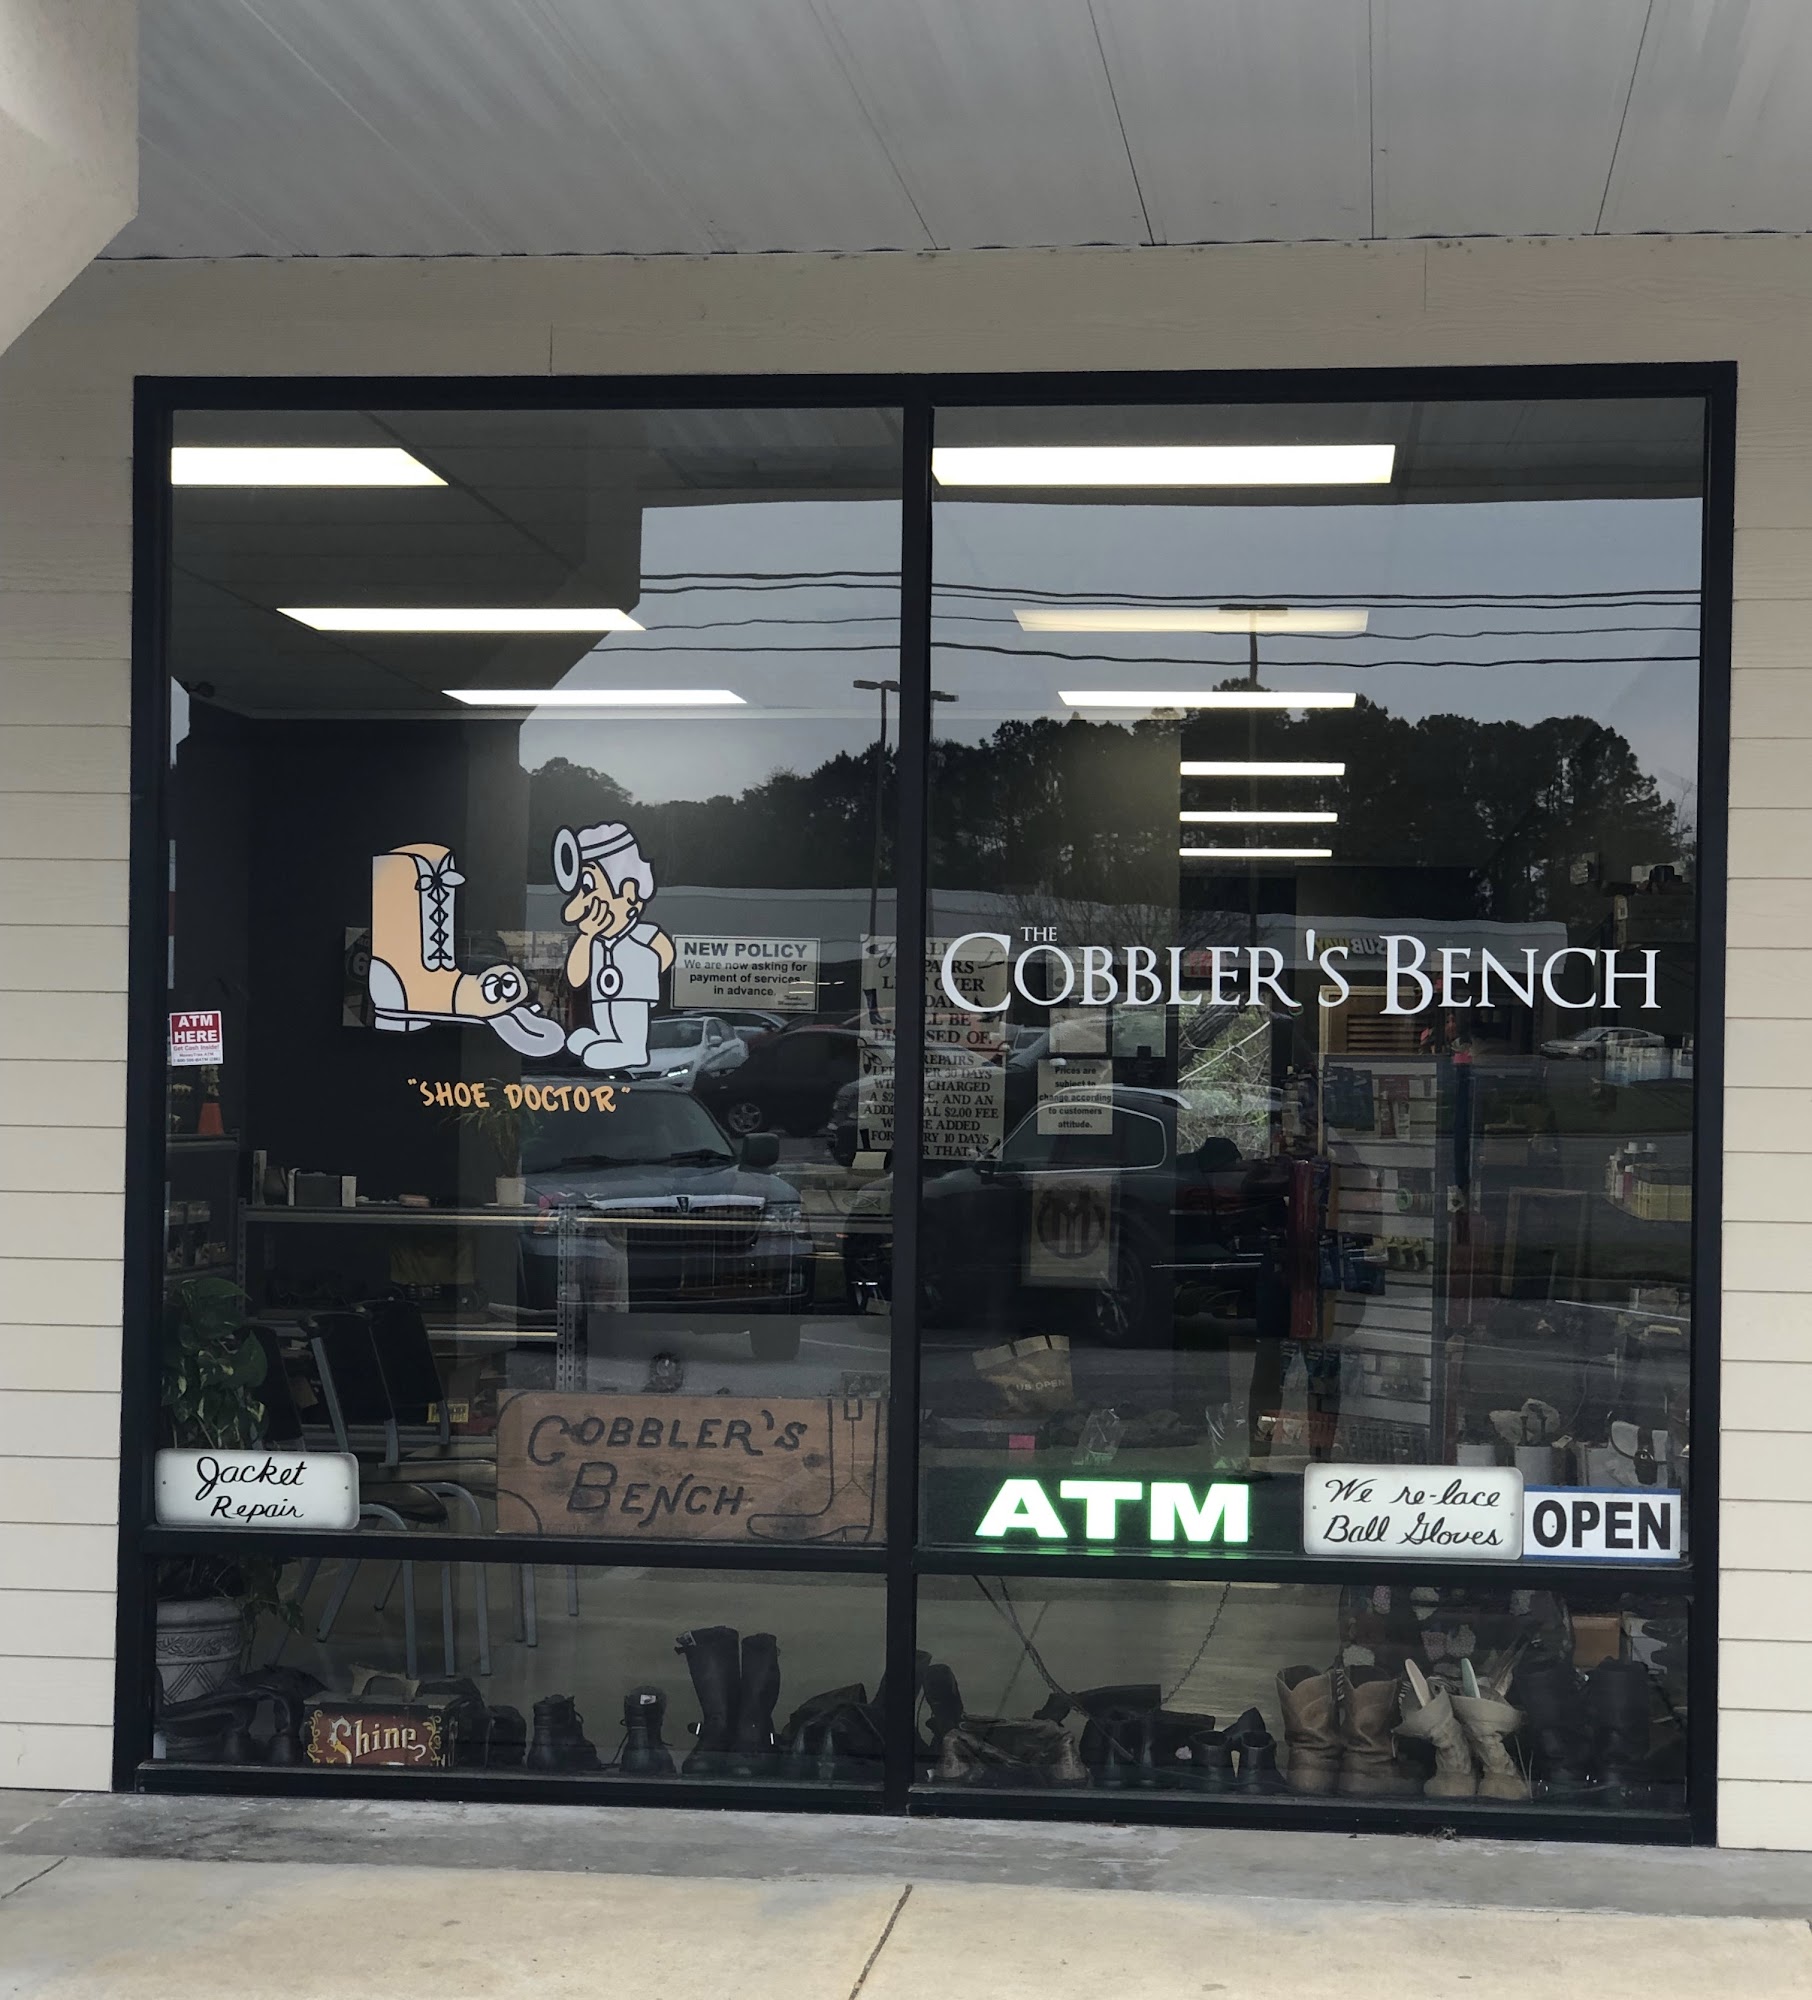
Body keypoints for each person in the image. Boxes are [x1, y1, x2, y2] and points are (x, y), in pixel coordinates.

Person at [552, 821, 674, 1072]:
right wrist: (587, 936)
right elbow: (576, 978)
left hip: (632, 998)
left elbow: (665, 953)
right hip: (602, 999)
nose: (580, 904)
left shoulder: (641, 933)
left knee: (627, 1022)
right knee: (600, 1023)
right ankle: (605, 1038)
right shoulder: (592, 941)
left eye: (588, 888)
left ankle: (632, 1048)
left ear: (628, 891)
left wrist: (641, 969)